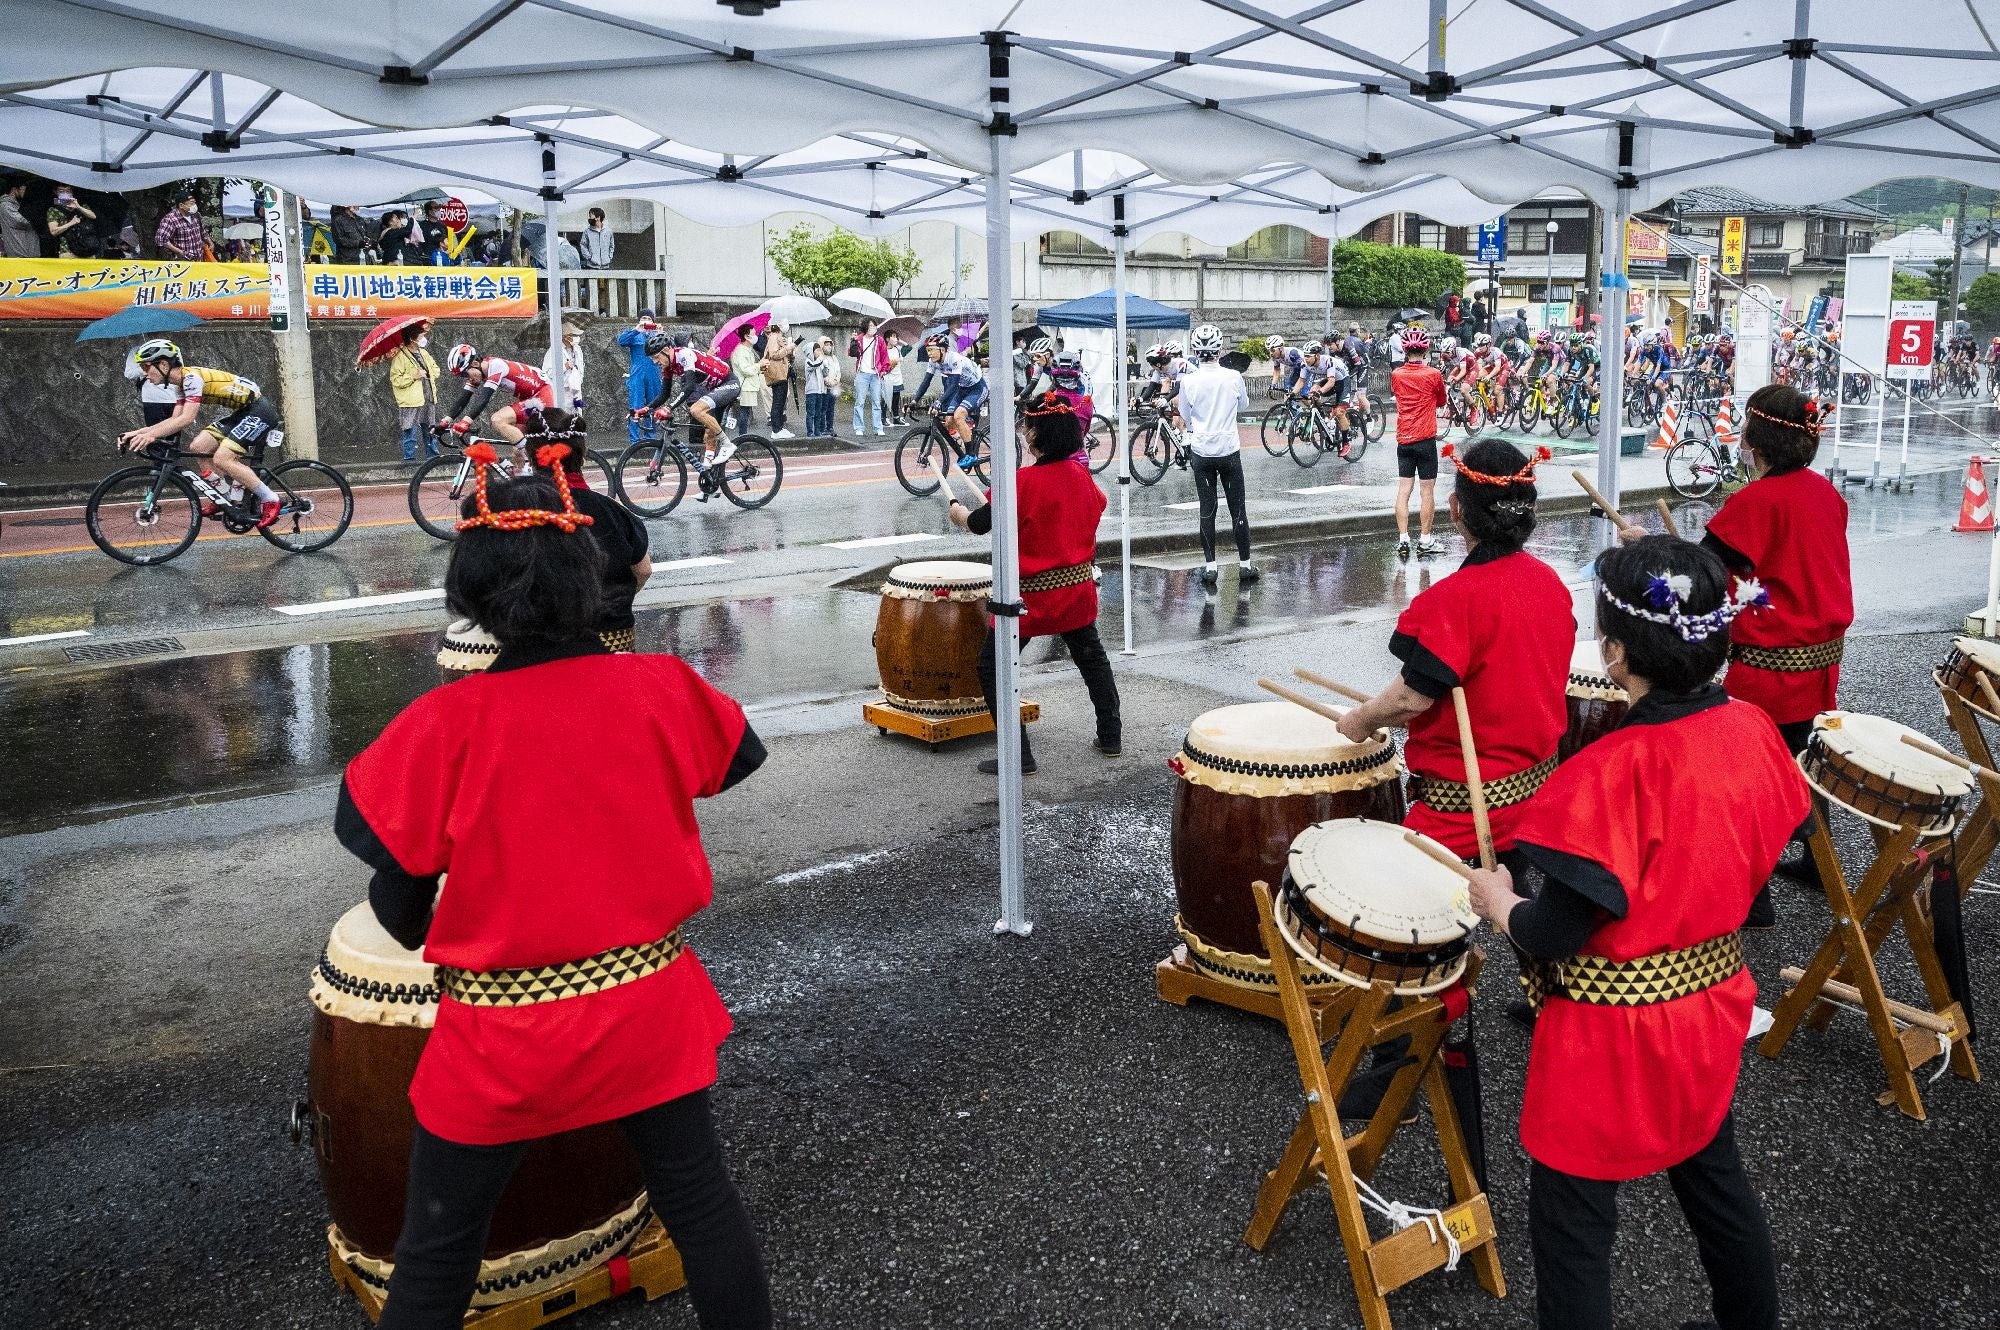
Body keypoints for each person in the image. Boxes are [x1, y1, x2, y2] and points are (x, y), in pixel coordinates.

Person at [334, 466, 772, 1330]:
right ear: (589, 581)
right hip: (648, 1007)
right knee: (701, 1203)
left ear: (470, 594)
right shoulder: (662, 688)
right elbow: (736, 757)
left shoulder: (442, 726)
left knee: (439, 1250)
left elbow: (395, 892)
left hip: (503, 1035)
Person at [1465, 535, 1803, 1330]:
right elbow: (1761, 860)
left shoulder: (1608, 773)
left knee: (1575, 1230)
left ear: (1614, 653)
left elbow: (1553, 933)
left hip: (1608, 1039)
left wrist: (1497, 901)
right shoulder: (1755, 731)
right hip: (1711, 1012)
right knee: (1717, 1183)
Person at [1632, 384, 1851, 911]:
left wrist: (1648, 548)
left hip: (1770, 667)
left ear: (1758, 439)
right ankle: (1818, 863)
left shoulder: (1757, 501)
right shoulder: (1825, 493)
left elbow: (1702, 573)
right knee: (1803, 758)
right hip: (1821, 662)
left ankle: (1752, 899)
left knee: (1744, 773)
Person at [1337, 437, 1573, 863]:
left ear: (1456, 508)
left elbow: (1409, 700)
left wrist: (1362, 718)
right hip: (1537, 799)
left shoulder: (1452, 602)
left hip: (1464, 819)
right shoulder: (1549, 582)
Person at [947, 400, 1120, 772]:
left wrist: (958, 514)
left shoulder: (1021, 483)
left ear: (1035, 435)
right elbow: (1098, 505)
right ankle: (1111, 736)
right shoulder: (1080, 475)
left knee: (993, 668)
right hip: (1076, 594)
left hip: (1027, 600)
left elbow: (978, 523)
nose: (1024, 432)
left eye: (1027, 427)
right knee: (1092, 660)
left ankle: (1019, 755)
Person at [115, 339, 284, 528]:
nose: (144, 373)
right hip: (243, 412)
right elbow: (174, 419)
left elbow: (187, 418)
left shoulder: (191, 379)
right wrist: (137, 432)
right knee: (199, 447)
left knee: (223, 458)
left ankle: (270, 499)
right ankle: (224, 498)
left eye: (146, 367)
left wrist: (151, 436)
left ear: (163, 365)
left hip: (259, 411)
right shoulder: (179, 384)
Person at [536, 409, 653, 651]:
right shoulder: (613, 511)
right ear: (583, 454)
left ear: (530, 454)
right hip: (611, 641)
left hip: (538, 645)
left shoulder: (510, 512)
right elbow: (643, 570)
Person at [1177, 323, 1256, 592]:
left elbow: (1185, 415)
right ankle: (1245, 565)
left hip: (1202, 451)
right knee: (1238, 508)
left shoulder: (1188, 381)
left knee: (1207, 509)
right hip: (1228, 449)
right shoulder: (1233, 377)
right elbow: (1243, 405)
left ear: (1195, 351)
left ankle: (1211, 567)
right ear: (1220, 350)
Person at [1388, 328, 1449, 558]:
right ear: (1425, 350)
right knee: (1427, 491)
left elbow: (1397, 395)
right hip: (1425, 439)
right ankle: (1425, 540)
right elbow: (1441, 401)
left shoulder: (1397, 374)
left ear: (1405, 350)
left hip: (1403, 439)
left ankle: (1403, 539)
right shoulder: (1433, 374)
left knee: (1404, 490)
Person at [644, 332, 741, 474]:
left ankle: (727, 444)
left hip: (729, 383)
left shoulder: (684, 354)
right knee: (709, 431)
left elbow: (689, 387)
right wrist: (646, 409)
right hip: (715, 388)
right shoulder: (668, 366)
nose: (655, 361)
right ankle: (709, 474)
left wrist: (669, 408)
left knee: (696, 410)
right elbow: (665, 394)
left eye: (656, 357)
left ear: (666, 350)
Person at [441, 344, 556, 450]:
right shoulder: (479, 372)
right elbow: (463, 398)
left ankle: (531, 456)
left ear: (475, 363)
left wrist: (465, 422)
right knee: (517, 452)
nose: (467, 378)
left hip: (541, 394)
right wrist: (444, 422)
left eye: (465, 374)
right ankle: (530, 459)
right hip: (529, 398)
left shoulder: (496, 366)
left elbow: (484, 398)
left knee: (498, 419)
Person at [925, 333, 988, 470]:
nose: (929, 353)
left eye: (931, 350)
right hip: (962, 390)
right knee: (949, 421)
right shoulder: (933, 362)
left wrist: (939, 401)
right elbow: (926, 382)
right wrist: (913, 401)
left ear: (942, 350)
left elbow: (952, 385)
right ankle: (965, 434)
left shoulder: (954, 359)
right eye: (927, 350)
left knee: (958, 415)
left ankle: (971, 455)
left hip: (977, 389)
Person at [388, 322, 442, 462]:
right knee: (409, 431)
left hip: (428, 397)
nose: (424, 338)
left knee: (430, 430)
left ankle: (433, 459)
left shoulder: (424, 353)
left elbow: (436, 369)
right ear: (412, 338)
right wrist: (413, 376)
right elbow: (396, 379)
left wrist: (428, 374)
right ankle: (409, 460)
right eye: (421, 335)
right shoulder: (400, 356)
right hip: (410, 401)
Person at [615, 309, 664, 443]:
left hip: (654, 373)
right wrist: (636, 330)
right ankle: (634, 439)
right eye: (643, 318)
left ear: (653, 321)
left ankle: (650, 437)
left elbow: (669, 348)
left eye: (649, 319)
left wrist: (660, 333)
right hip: (637, 373)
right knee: (635, 405)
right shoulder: (635, 334)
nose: (646, 321)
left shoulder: (657, 334)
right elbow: (621, 341)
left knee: (652, 404)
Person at [851, 319, 890, 437]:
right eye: (870, 326)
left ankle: (878, 428)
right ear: (865, 327)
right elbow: (851, 353)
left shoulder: (880, 340)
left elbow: (885, 356)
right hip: (862, 373)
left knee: (877, 402)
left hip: (875, 374)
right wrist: (853, 341)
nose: (872, 328)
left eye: (874, 325)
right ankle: (859, 427)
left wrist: (884, 369)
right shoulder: (859, 339)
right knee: (860, 402)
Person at [726, 328, 766, 437]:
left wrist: (760, 368)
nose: (756, 336)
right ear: (746, 336)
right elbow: (745, 370)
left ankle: (743, 436)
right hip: (745, 385)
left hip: (749, 384)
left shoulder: (747, 349)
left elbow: (750, 367)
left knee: (746, 411)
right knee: (744, 411)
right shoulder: (741, 351)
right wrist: (759, 365)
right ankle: (742, 436)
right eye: (753, 333)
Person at [760, 324, 795, 439]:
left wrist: (791, 349)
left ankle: (779, 427)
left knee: (781, 402)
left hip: (782, 373)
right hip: (777, 374)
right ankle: (776, 430)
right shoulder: (774, 337)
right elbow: (774, 354)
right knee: (778, 402)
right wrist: (788, 348)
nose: (785, 325)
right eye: (782, 323)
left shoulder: (778, 337)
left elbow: (784, 356)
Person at [153, 188, 207, 261]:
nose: (194, 206)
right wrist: (180, 252)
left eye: (194, 203)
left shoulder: (196, 215)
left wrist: (210, 242)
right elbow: (161, 239)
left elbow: (202, 231)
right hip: (182, 261)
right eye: (191, 203)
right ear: (181, 205)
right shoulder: (170, 219)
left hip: (199, 259)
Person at [44, 186, 97, 258]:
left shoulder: (82, 206)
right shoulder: (53, 210)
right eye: (61, 191)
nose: (65, 193)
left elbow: (93, 216)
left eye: (68, 191)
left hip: (88, 249)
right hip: (67, 251)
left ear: (72, 192)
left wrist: (78, 207)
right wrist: (71, 223)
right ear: (56, 192)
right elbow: (53, 231)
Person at [803, 336, 840, 438]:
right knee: (811, 413)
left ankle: (818, 431)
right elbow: (813, 366)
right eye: (817, 350)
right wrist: (821, 359)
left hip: (820, 391)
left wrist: (826, 367)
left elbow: (825, 373)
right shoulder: (808, 361)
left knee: (818, 413)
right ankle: (810, 432)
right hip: (811, 391)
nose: (819, 352)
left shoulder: (828, 359)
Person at [0, 178, 37, 257]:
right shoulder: (5, 205)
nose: (26, 192)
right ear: (14, 189)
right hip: (19, 252)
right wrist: (37, 216)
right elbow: (21, 221)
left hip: (26, 251)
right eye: (23, 189)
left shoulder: (17, 204)